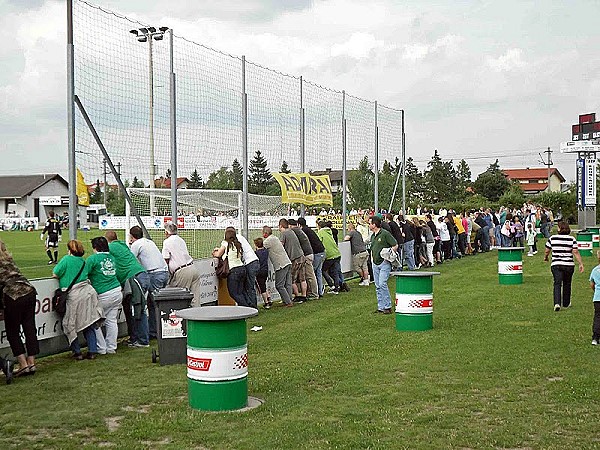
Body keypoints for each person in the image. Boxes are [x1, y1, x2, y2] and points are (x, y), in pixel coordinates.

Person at [53, 240, 103, 360]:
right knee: (88, 322)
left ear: (70, 250)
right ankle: (92, 350)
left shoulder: (66, 259)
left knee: (70, 324)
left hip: (75, 295)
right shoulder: (83, 262)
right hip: (88, 292)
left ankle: (77, 352)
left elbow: (55, 273)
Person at [0, 240, 39, 376]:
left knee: (12, 331)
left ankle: (23, 364)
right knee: (29, 327)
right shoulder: (9, 260)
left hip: (12, 294)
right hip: (29, 290)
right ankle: (31, 362)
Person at [105, 230, 150, 347]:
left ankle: (142, 340)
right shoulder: (122, 245)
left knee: (138, 309)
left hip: (134, 278)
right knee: (132, 308)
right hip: (139, 276)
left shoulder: (110, 248)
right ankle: (134, 337)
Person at [129, 226, 169, 338]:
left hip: (155, 274)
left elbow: (130, 259)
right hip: (164, 272)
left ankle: (159, 331)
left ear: (132, 237)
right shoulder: (149, 242)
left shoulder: (136, 245)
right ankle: (154, 331)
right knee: (154, 304)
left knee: (155, 305)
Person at [86, 237, 122, 355]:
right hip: (116, 290)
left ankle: (101, 348)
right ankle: (111, 347)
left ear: (95, 248)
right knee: (111, 320)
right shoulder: (111, 257)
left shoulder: (93, 259)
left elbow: (84, 272)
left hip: (103, 293)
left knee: (95, 320)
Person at [544, 221, 584, 311]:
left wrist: (546, 257)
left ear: (560, 229)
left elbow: (547, 250)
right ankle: (566, 303)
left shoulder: (552, 238)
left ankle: (557, 303)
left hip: (556, 264)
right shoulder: (572, 239)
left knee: (557, 283)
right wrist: (580, 263)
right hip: (568, 264)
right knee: (567, 283)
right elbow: (575, 252)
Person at [162, 223, 200, 304]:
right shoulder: (181, 239)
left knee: (180, 299)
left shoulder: (167, 242)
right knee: (195, 300)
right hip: (192, 268)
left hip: (182, 272)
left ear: (166, 232)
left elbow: (166, 259)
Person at [368, 215, 398, 314]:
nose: (369, 225)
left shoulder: (385, 234)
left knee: (382, 283)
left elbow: (395, 245)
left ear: (374, 224)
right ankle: (380, 306)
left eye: (370, 223)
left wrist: (388, 253)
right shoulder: (373, 236)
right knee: (377, 285)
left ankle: (388, 306)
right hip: (375, 262)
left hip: (384, 262)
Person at [212, 228, 248, 306]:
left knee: (233, 293)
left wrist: (215, 251)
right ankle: (246, 307)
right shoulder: (237, 244)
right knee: (240, 292)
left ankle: (246, 307)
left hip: (234, 270)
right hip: (242, 268)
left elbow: (218, 254)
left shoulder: (225, 243)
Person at [226, 227, 260, 309]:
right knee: (245, 288)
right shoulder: (239, 238)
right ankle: (249, 306)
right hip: (252, 262)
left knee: (249, 287)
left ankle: (252, 307)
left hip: (249, 263)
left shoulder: (236, 239)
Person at [262, 226, 293, 306]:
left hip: (280, 265)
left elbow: (260, 248)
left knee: (279, 285)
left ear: (265, 233)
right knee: (287, 284)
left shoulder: (268, 241)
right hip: (287, 262)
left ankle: (288, 302)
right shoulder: (275, 238)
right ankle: (289, 299)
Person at [279, 218, 308, 302]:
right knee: (303, 279)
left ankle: (297, 296)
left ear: (281, 226)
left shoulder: (284, 233)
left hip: (294, 258)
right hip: (301, 256)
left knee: (292, 280)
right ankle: (304, 295)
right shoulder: (291, 231)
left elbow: (281, 246)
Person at [298, 217, 326, 298]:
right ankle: (319, 291)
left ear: (299, 224)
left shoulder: (303, 231)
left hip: (317, 253)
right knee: (318, 273)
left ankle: (313, 292)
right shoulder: (309, 230)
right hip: (322, 252)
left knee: (311, 274)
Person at [318, 220, 344, 294]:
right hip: (337, 253)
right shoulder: (329, 232)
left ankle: (331, 284)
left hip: (330, 255)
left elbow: (320, 242)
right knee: (335, 272)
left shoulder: (320, 233)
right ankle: (337, 287)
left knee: (323, 270)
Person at [254, 237, 271, 309]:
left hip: (259, 272)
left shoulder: (256, 253)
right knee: (264, 284)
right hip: (265, 270)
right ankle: (269, 297)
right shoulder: (266, 251)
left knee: (262, 288)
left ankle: (266, 302)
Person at [589, 252, 600, 345]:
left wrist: (596, 291)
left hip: (597, 297)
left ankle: (595, 338)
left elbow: (592, 284)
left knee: (597, 317)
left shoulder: (595, 270)